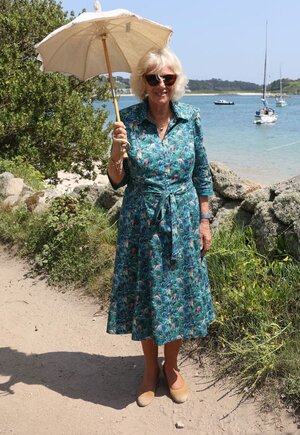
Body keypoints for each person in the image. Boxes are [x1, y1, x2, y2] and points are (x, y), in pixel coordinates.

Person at [106, 47, 214, 407]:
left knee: (179, 294)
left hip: (182, 218)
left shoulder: (191, 118)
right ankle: (150, 369)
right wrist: (115, 153)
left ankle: (173, 367)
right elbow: (117, 181)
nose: (161, 84)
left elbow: (201, 172)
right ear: (143, 82)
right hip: (142, 220)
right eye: (153, 78)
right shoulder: (128, 122)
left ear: (176, 81)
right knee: (148, 294)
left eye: (168, 77)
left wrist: (204, 219)